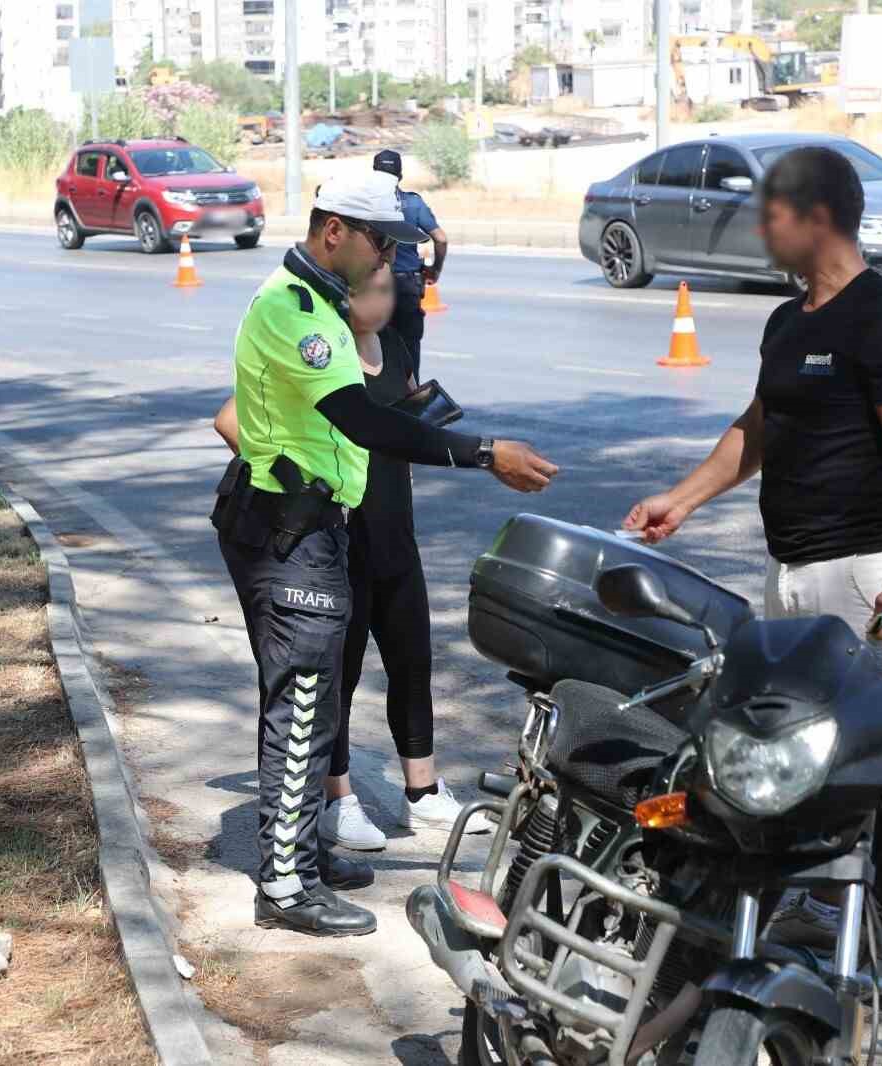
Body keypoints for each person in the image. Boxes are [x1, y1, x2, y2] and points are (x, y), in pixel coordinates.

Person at [623, 145, 882, 952]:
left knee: (855, 764)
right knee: (791, 754)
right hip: (793, 571)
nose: (762, 229)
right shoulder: (787, 320)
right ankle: (809, 912)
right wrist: (682, 499)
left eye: (773, 214)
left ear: (819, 218)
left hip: (863, 576)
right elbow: (759, 429)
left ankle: (869, 931)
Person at [215, 170, 558, 937]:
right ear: (334, 230)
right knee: (302, 705)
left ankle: (297, 846)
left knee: (317, 697)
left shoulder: (326, 306)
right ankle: (286, 884)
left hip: (312, 527)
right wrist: (484, 452)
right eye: (379, 244)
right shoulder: (292, 310)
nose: (385, 263)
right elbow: (363, 422)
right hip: (286, 530)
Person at [213, 264, 484, 857]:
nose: (383, 301)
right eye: (372, 290)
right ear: (345, 296)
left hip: (395, 535)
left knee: (413, 660)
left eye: (390, 290)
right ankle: (338, 799)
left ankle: (424, 789)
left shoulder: (393, 347)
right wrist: (291, 476)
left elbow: (394, 430)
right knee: (335, 676)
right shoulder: (318, 352)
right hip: (335, 541)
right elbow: (231, 420)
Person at [372, 149, 447, 375]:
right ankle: (411, 402)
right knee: (408, 352)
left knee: (373, 353)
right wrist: (435, 270)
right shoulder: (413, 204)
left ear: (374, 174)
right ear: (400, 176)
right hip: (407, 286)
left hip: (373, 287)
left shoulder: (363, 206)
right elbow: (441, 238)